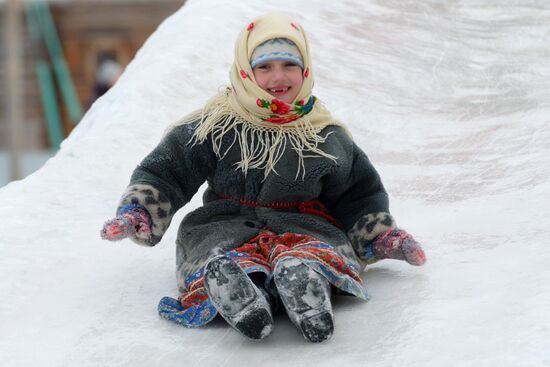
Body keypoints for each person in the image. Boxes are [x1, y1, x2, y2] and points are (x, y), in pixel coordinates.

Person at [101, 13, 426, 343]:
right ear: (246, 71)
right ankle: (243, 295)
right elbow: (168, 169)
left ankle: (306, 288)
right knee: (219, 259)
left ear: (305, 69)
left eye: (289, 65)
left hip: (302, 225)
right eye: (265, 67)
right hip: (224, 226)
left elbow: (358, 192)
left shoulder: (324, 134)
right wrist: (139, 211)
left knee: (311, 253)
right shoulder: (217, 124)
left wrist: (381, 236)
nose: (278, 77)